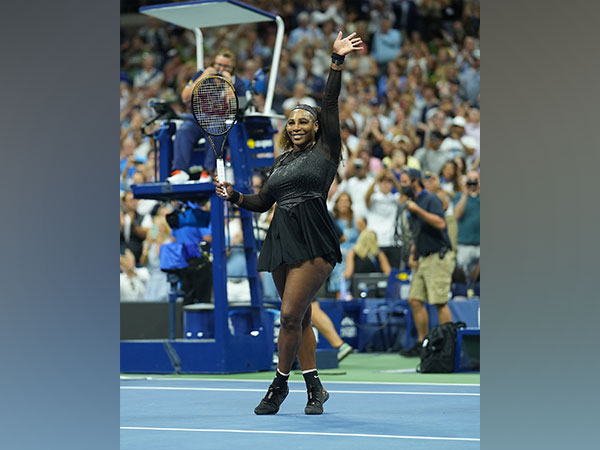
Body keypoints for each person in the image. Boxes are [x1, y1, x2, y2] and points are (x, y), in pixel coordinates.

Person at [216, 32, 363, 416]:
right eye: (292, 121)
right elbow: (263, 203)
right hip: (281, 239)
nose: (296, 125)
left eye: (304, 121)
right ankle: (315, 388)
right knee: (300, 318)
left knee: (287, 315)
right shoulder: (279, 164)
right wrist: (234, 195)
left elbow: (329, 103)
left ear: (316, 128)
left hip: (314, 240)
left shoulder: (328, 148)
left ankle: (278, 385)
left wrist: (336, 60)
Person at [399, 169, 455, 357]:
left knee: (439, 301)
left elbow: (440, 224)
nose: (402, 185)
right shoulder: (412, 204)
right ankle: (422, 342)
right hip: (422, 257)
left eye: (405, 181)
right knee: (414, 300)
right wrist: (413, 254)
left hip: (438, 256)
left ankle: (448, 345)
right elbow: (418, 233)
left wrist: (418, 211)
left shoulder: (430, 199)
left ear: (415, 181)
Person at [167, 48, 246, 183]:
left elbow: (238, 107)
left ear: (233, 68)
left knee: (216, 128)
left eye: (225, 66)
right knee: (184, 130)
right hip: (198, 119)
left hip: (220, 120)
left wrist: (228, 84)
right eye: (218, 65)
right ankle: (180, 171)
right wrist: (203, 76)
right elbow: (185, 97)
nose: (220, 69)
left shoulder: (238, 83)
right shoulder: (201, 75)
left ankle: (208, 172)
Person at [453, 170, 480, 274]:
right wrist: (465, 194)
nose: (473, 182)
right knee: (462, 277)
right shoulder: (460, 196)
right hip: (464, 244)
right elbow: (457, 215)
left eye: (475, 180)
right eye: (470, 180)